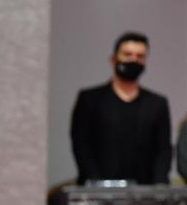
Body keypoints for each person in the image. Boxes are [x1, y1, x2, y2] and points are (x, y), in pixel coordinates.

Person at [70, 31, 172, 185]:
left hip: (144, 190)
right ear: (113, 59)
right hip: (98, 189)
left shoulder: (157, 104)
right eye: (127, 54)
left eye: (140, 56)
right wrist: (96, 184)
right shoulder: (90, 99)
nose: (134, 60)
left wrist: (159, 187)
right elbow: (81, 145)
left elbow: (163, 150)